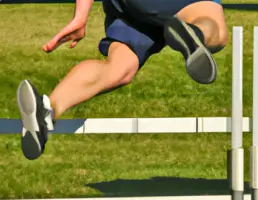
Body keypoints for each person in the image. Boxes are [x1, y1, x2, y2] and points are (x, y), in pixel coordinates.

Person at [16, 0, 228, 160]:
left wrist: (81, 15)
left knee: (119, 68)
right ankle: (194, 33)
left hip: (126, 8)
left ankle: (48, 110)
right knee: (214, 27)